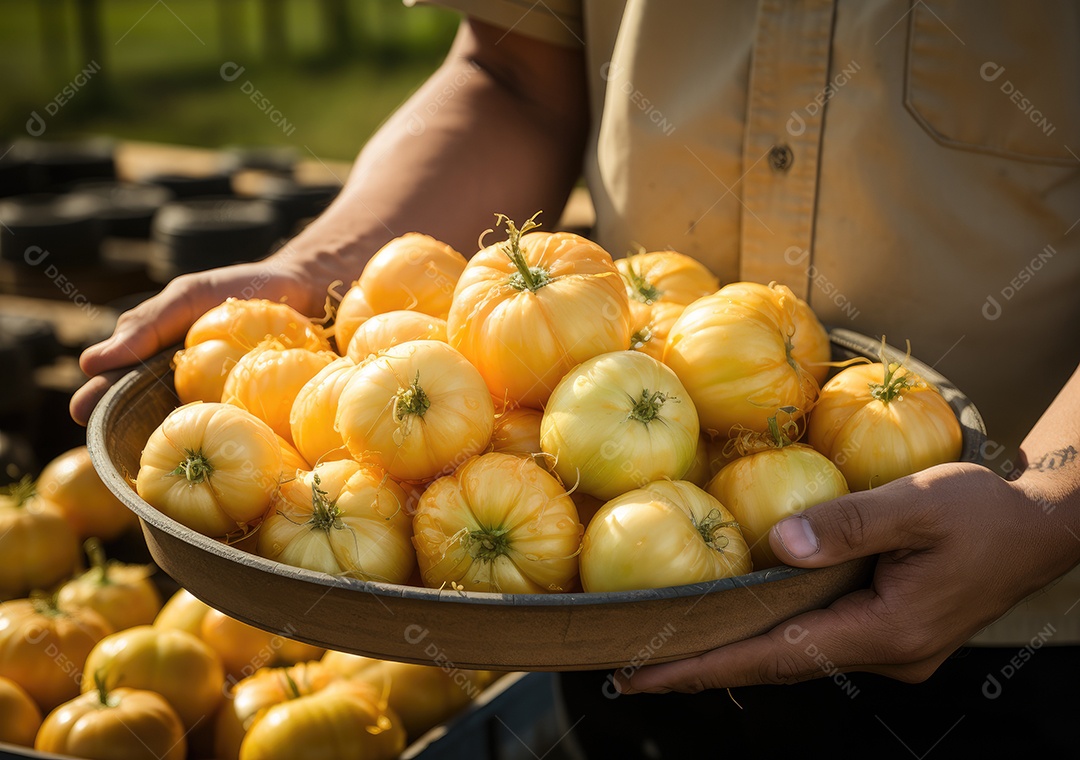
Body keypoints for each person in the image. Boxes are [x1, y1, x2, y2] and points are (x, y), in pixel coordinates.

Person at [73, 1, 1080, 755]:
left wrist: (1052, 501)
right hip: (599, 618)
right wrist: (329, 265)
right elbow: (515, 72)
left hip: (1024, 636)